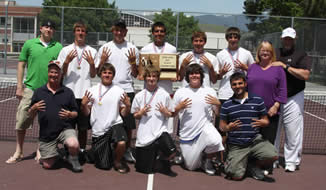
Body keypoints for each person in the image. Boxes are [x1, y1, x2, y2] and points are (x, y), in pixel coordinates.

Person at [6, 20, 63, 164]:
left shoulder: (58, 47)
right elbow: (21, 64)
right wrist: (19, 86)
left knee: (45, 122)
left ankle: (40, 150)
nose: (49, 29)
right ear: (41, 28)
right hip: (30, 89)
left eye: (51, 27)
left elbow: (61, 69)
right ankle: (19, 151)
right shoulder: (29, 44)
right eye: (46, 27)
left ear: (54, 31)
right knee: (22, 121)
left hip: (49, 91)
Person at [219, 72, 278, 181]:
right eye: (234, 84)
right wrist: (228, 128)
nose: (237, 86)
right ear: (231, 86)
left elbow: (266, 120)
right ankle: (239, 162)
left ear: (245, 84)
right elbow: (222, 126)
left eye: (240, 83)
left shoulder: (257, 100)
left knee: (273, 155)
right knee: (235, 175)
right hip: (237, 145)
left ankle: (253, 166)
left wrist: (263, 123)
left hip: (255, 141)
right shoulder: (227, 104)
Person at [95, 19, 138, 163]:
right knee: (108, 120)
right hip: (108, 90)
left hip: (126, 90)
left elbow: (136, 74)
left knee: (128, 123)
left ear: (125, 32)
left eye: (122, 30)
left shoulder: (132, 49)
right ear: (113, 31)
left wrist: (133, 63)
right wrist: (102, 60)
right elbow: (97, 72)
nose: (119, 33)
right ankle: (106, 146)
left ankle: (126, 149)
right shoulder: (105, 48)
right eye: (116, 30)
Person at [140, 21, 182, 164]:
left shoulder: (171, 49)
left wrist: (175, 75)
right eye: (156, 31)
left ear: (165, 33)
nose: (159, 34)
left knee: (167, 123)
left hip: (166, 91)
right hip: (150, 93)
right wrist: (141, 74)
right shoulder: (145, 49)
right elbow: (142, 72)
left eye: (162, 31)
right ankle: (151, 149)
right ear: (152, 33)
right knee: (150, 122)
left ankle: (166, 152)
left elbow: (175, 71)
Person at [29, 61, 82, 172]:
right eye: (51, 72)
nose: (54, 75)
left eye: (56, 72)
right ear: (48, 73)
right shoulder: (39, 92)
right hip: (47, 133)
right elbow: (30, 113)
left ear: (61, 74)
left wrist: (70, 114)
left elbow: (76, 112)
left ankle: (73, 158)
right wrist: (33, 108)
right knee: (47, 165)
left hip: (65, 129)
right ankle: (59, 153)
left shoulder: (68, 92)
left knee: (73, 144)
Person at [173, 64, 224, 175]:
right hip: (187, 134)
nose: (194, 76)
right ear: (187, 76)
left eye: (197, 73)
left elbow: (217, 113)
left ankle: (208, 160)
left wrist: (219, 105)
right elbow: (172, 114)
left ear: (201, 75)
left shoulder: (210, 91)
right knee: (191, 167)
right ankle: (187, 153)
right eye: (191, 73)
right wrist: (178, 108)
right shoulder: (180, 92)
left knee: (216, 140)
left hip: (204, 128)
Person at [273, 27, 311, 172]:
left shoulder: (301, 55)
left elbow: (305, 75)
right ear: (282, 39)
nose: (287, 41)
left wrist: (285, 66)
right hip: (275, 97)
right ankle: (272, 158)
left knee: (292, 130)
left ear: (294, 40)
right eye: (285, 38)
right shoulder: (275, 52)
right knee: (273, 129)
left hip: (294, 97)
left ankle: (291, 161)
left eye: (290, 39)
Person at [81, 63, 131, 173]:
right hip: (99, 131)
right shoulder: (91, 90)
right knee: (104, 165)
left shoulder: (120, 91)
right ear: (100, 74)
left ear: (113, 75)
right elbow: (86, 113)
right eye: (104, 72)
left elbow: (124, 113)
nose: (107, 75)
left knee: (122, 142)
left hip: (115, 125)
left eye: (110, 73)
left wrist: (128, 106)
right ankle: (93, 153)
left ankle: (117, 161)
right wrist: (83, 105)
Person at [215, 26, 255, 162]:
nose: (233, 39)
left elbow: (255, 72)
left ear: (238, 38)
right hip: (224, 95)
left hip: (241, 96)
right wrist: (221, 73)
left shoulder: (246, 53)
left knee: (240, 126)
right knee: (222, 129)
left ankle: (240, 155)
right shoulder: (220, 54)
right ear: (227, 38)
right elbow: (216, 77)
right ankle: (221, 157)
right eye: (230, 37)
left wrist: (245, 68)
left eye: (235, 37)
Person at [57, 21, 97, 151]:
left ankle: (82, 151)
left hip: (85, 95)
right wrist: (67, 62)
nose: (80, 33)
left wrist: (91, 64)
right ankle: (68, 150)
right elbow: (62, 73)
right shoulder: (65, 50)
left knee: (83, 128)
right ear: (74, 32)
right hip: (68, 94)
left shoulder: (92, 51)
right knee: (68, 126)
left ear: (86, 33)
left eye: (83, 31)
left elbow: (92, 75)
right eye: (78, 30)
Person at [131, 64, 176, 175]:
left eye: (154, 76)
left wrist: (166, 112)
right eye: (149, 76)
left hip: (160, 132)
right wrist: (140, 113)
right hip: (145, 135)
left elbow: (171, 114)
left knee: (173, 151)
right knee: (144, 170)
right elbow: (135, 115)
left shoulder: (165, 95)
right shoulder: (139, 96)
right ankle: (151, 155)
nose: (151, 79)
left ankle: (162, 158)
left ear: (158, 78)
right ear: (145, 78)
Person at [247, 41, 287, 145]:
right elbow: (246, 88)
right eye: (263, 50)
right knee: (250, 143)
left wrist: (276, 106)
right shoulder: (252, 67)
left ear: (272, 53)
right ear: (258, 52)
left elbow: (283, 90)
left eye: (268, 50)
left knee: (267, 146)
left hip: (270, 113)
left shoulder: (278, 69)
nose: (265, 53)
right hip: (251, 112)